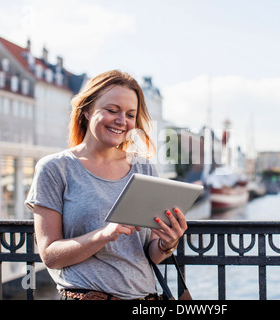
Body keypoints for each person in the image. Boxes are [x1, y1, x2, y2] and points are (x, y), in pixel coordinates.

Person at [25, 70, 188, 300]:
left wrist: (166, 243)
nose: (122, 121)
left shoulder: (144, 168)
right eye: (112, 110)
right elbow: (50, 255)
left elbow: (150, 254)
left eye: (130, 115)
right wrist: (104, 234)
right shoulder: (55, 168)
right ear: (87, 111)